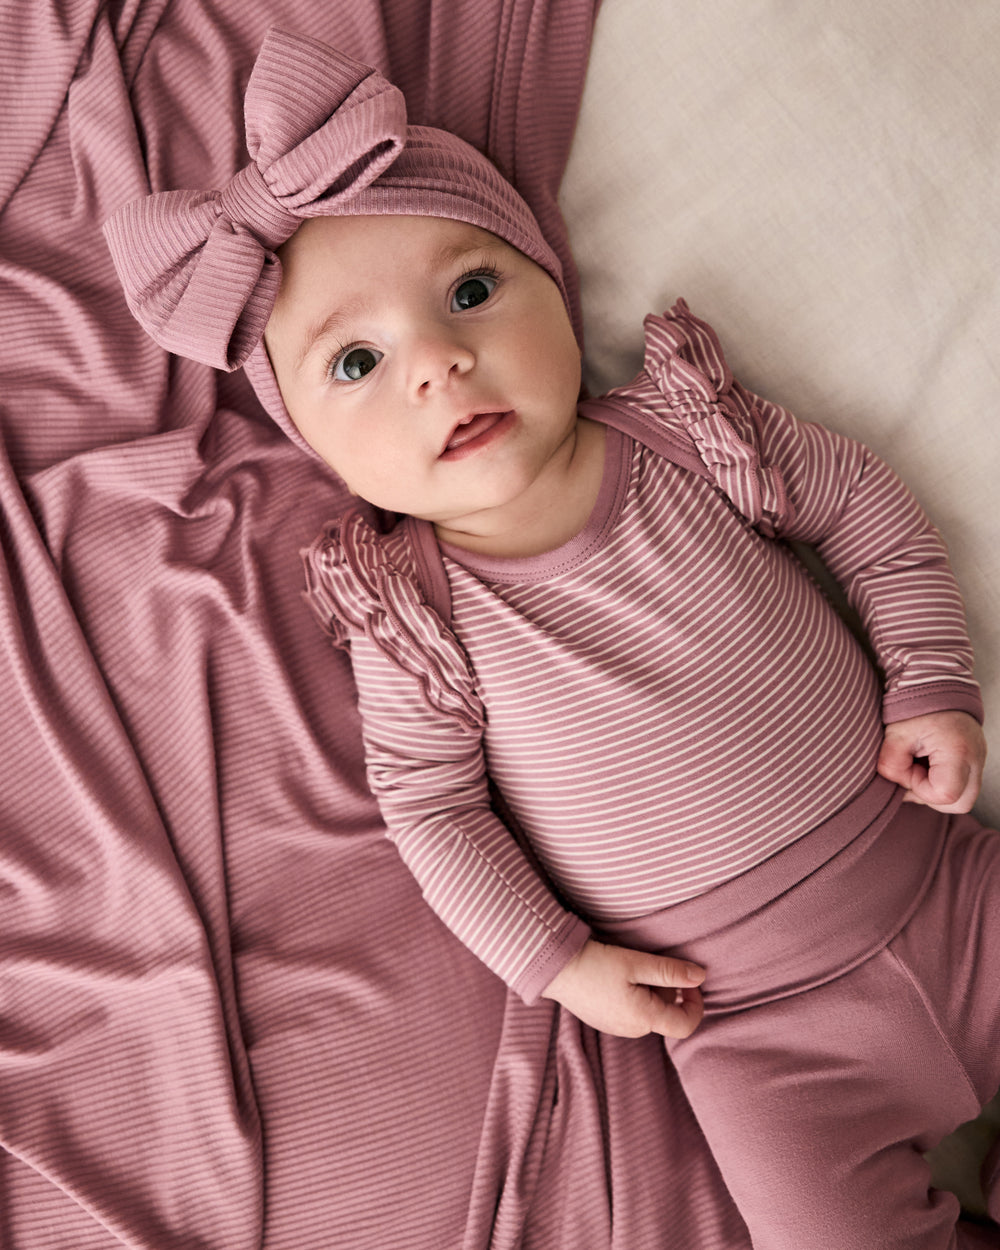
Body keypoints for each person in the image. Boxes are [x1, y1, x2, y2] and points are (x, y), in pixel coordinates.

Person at [105, 25, 1000, 1250]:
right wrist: (553, 957)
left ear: (550, 283)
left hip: (945, 882)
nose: (440, 363)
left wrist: (929, 677)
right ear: (312, 440)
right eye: (357, 362)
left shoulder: (688, 434)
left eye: (471, 291)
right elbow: (432, 807)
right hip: (754, 1033)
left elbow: (860, 505)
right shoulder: (413, 609)